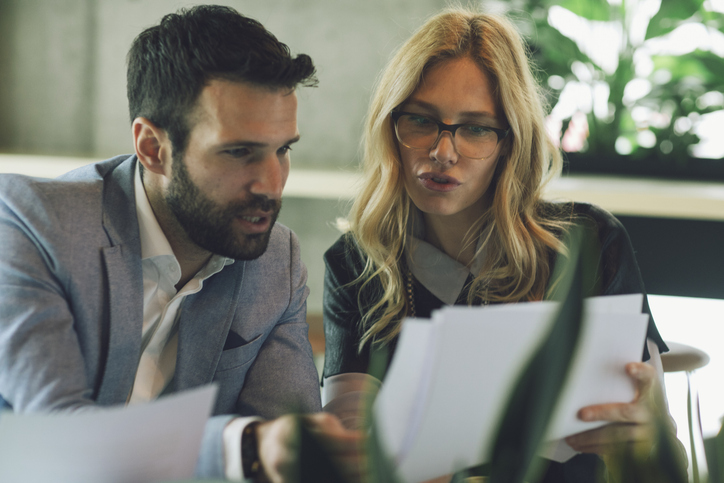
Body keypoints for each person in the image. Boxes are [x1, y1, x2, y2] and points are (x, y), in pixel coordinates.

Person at [0, 6, 362, 482]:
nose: (272, 185)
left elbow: (288, 443)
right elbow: (58, 442)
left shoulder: (277, 259)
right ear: (152, 148)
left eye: (283, 150)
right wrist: (242, 448)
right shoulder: (32, 223)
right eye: (239, 152)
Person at [322, 6, 678, 481]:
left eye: (474, 128)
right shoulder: (358, 264)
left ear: (510, 141)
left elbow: (666, 457)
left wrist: (647, 440)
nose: (442, 152)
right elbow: (347, 446)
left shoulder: (587, 243)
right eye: (422, 120)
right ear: (391, 126)